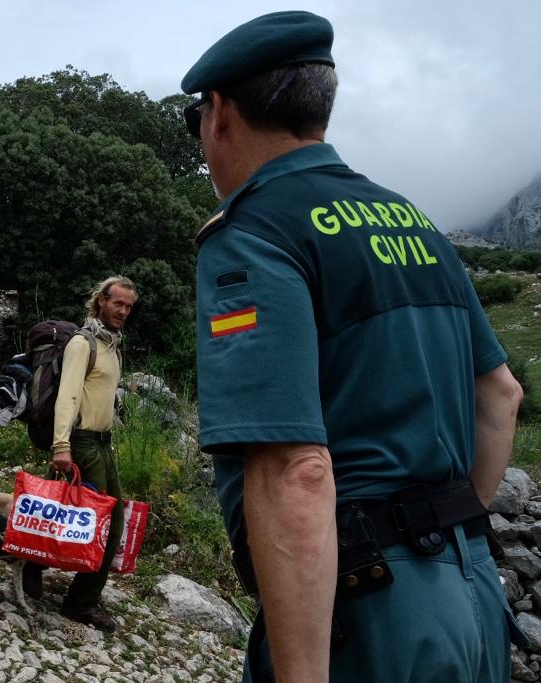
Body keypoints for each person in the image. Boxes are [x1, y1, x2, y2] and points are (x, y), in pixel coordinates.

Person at [181, 11, 525, 682]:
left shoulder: (255, 235)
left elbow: (294, 469)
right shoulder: (416, 225)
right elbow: (501, 397)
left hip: (367, 613)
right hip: (476, 601)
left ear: (218, 113)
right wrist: (442, 543)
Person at [23, 275, 137, 632]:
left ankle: (37, 569)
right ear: (101, 301)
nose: (123, 311)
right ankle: (78, 601)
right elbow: (68, 396)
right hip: (82, 442)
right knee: (100, 522)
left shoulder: (112, 345)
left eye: (129, 306)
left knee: (84, 516)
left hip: (103, 442)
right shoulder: (82, 344)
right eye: (118, 303)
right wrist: (61, 446)